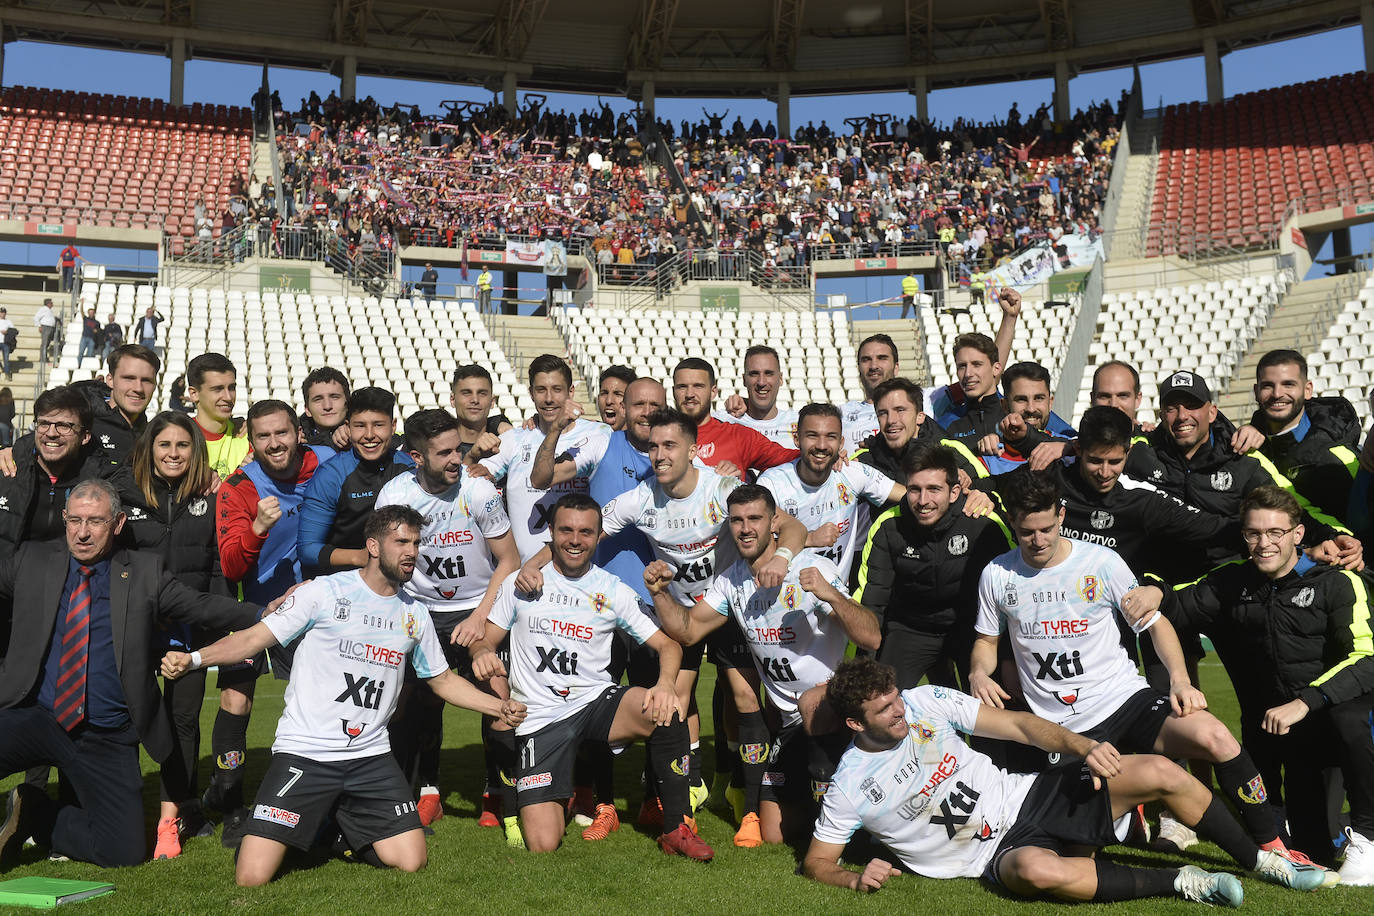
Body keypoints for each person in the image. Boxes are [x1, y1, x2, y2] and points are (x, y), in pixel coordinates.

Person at [968, 468, 1329, 868]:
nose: (1038, 540)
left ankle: (1272, 846)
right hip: (1061, 729)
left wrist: (1179, 680)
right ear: (1013, 524)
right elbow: (986, 642)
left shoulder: (1102, 563)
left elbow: (1155, 623)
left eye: (1046, 529)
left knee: (1213, 735)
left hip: (1123, 699)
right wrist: (979, 673)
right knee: (1075, 851)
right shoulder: (998, 575)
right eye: (1026, 532)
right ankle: (1127, 816)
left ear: (1062, 515)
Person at [157, 505, 527, 886]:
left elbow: (443, 680)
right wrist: (195, 659)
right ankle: (307, 820)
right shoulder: (324, 592)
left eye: (416, 543)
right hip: (307, 752)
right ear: (372, 546)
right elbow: (254, 639)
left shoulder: (414, 614)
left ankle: (333, 829)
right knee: (252, 876)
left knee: (410, 860)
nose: (412, 552)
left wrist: (497, 705)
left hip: (370, 757)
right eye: (401, 541)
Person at [799, 657, 1328, 899]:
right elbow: (816, 861)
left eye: (896, 701)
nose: (900, 714)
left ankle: (1263, 861)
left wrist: (1086, 746)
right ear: (854, 724)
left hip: (1030, 797)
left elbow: (1021, 726)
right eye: (886, 712)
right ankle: (1186, 882)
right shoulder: (850, 784)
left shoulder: (925, 702)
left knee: (1161, 770)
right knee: (1041, 873)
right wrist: (851, 877)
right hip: (992, 855)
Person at [0, 478, 261, 869]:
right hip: (38, 716)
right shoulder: (32, 560)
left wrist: (264, 613)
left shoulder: (143, 572)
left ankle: (35, 811)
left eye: (96, 522)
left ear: (118, 524)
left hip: (106, 734)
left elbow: (201, 606)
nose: (83, 532)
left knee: (121, 853)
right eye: (75, 520)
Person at [1123, 486, 1374, 880]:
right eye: (1253, 533)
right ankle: (1296, 823)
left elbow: (1366, 657)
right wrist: (1155, 588)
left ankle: (1368, 835)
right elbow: (1176, 602)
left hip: (1327, 728)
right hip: (1266, 733)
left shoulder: (1337, 583)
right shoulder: (1230, 583)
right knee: (1299, 847)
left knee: (1353, 720)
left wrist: (1306, 701)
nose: (1264, 543)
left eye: (1275, 532)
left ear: (1298, 534)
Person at [468, 494, 714, 860]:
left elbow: (669, 646)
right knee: (543, 842)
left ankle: (676, 827)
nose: (575, 539)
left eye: (586, 532)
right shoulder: (522, 586)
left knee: (667, 710)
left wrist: (664, 686)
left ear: (598, 536)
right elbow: (484, 639)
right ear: (550, 533)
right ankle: (552, 792)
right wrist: (482, 652)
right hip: (538, 716)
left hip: (595, 704)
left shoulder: (612, 589)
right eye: (566, 530)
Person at [647, 484, 881, 848]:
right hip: (787, 722)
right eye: (737, 520)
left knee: (812, 706)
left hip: (832, 711)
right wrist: (660, 593)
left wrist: (831, 594)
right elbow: (689, 631)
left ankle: (848, 809)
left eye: (754, 518)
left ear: (774, 522)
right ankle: (825, 802)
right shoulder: (730, 581)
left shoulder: (812, 567)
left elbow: (871, 638)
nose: (745, 529)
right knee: (775, 835)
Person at [374, 409, 521, 838]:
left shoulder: (477, 491)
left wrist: (481, 617)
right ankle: (423, 794)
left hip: (479, 606)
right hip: (420, 610)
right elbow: (384, 560)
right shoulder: (395, 494)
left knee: (495, 693)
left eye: (458, 448)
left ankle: (497, 794)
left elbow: (508, 559)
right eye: (444, 453)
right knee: (411, 708)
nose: (456, 458)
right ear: (416, 457)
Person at [214, 400, 333, 825]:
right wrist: (258, 529)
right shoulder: (240, 486)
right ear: (251, 441)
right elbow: (231, 565)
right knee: (236, 701)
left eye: (281, 433)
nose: (274, 443)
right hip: (254, 610)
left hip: (316, 613)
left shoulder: (329, 467)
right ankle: (229, 806)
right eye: (263, 436)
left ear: (299, 432)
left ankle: (317, 801)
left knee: (318, 705)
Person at [118, 411, 227, 858]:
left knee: (183, 720)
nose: (174, 454)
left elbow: (220, 563)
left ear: (195, 451)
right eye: (165, 445)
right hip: (138, 627)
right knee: (125, 720)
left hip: (193, 626)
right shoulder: (123, 491)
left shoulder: (212, 494)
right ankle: (120, 808)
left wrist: (217, 622)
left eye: (183, 445)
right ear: (149, 449)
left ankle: (173, 817)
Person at [1133, 369, 1359, 576]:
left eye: (1192, 405)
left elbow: (1290, 506)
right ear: (1162, 415)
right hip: (1157, 587)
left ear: (1212, 412)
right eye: (1172, 408)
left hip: (1227, 587)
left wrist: (1332, 535)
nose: (1182, 415)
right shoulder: (1139, 453)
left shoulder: (1242, 459)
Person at [857, 444, 1013, 690]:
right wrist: (864, 667)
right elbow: (872, 601)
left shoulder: (982, 523)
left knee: (993, 705)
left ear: (954, 492)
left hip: (971, 627)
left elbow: (1012, 587)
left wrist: (1009, 655)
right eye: (914, 490)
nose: (923, 501)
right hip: (911, 628)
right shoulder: (888, 526)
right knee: (880, 700)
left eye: (934, 489)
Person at [477, 354, 610, 561]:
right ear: (531, 393)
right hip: (525, 578)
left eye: (557, 389)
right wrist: (475, 459)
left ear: (571, 391)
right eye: (541, 390)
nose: (549, 398)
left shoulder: (599, 434)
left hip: (583, 574)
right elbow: (476, 479)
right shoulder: (514, 439)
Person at [759, 402, 904, 577]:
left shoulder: (851, 473)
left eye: (831, 437)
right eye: (812, 435)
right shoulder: (772, 484)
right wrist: (809, 538)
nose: (821, 445)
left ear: (841, 442)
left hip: (836, 598)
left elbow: (910, 496)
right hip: (785, 597)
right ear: (797, 439)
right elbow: (754, 545)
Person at [298, 386, 414, 576]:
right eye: (360, 425)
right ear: (348, 427)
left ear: (393, 426)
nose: (369, 435)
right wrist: (362, 557)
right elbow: (307, 549)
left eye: (378, 425)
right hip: (346, 585)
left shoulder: (409, 469)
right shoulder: (331, 475)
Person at [1242, 349, 1361, 525]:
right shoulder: (1246, 447)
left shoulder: (1337, 457)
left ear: (1307, 390)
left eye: (1288, 384)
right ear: (1256, 391)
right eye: (1268, 385)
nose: (1277, 394)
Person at [672, 357, 797, 475]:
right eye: (682, 387)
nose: (689, 394)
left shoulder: (738, 436)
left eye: (698, 386)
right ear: (673, 391)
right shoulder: (658, 437)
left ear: (713, 391)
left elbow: (788, 457)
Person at [186, 352, 251, 480]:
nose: (228, 397)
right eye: (217, 389)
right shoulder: (178, 440)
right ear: (194, 394)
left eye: (232, 388)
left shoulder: (249, 437)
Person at [720, 345, 800, 448]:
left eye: (768, 373)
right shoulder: (722, 421)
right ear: (744, 380)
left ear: (780, 379)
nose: (761, 382)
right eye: (754, 374)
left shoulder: (799, 424)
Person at [840, 335, 901, 452]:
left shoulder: (922, 404)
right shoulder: (841, 415)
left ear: (896, 367)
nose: (873, 366)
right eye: (866, 359)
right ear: (859, 369)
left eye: (882, 358)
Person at [449, 364, 513, 458]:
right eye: (466, 393)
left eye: (482, 393)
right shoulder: (438, 447)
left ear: (492, 402)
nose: (475, 400)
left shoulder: (508, 443)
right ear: (452, 400)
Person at [299, 366, 350, 448]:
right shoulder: (295, 444)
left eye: (334, 397)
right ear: (307, 409)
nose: (327, 406)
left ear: (348, 403)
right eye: (318, 399)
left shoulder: (366, 436)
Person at [596, 365, 636, 431]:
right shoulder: (588, 436)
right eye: (604, 393)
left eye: (617, 394)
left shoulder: (646, 439)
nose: (608, 401)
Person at [34, 298, 56, 365]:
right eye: (51, 303)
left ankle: (44, 357)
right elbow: (36, 317)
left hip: (50, 327)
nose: (52, 304)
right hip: (46, 327)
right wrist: (39, 326)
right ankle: (43, 358)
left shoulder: (49, 310)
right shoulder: (43, 309)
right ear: (48, 303)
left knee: (47, 343)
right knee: (44, 343)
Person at [0, 308, 14, 379]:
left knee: (6, 359)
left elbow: (13, 331)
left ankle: (7, 373)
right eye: (1, 312)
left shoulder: (8, 322)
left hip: (5, 342)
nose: (2, 314)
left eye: (4, 312)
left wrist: (7, 332)